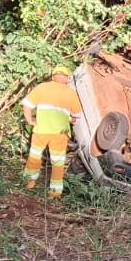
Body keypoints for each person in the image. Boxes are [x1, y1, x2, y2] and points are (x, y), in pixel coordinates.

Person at [21, 64, 83, 198]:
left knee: (34, 156)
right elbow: (77, 117)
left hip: (41, 131)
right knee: (58, 162)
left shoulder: (42, 87)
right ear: (67, 79)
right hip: (59, 134)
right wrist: (67, 120)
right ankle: (54, 192)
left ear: (53, 76)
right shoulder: (71, 94)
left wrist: (30, 120)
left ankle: (28, 183)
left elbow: (26, 105)